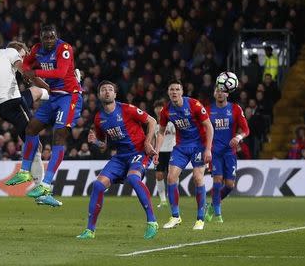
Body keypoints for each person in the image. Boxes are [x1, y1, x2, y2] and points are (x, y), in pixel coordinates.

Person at [5, 25, 82, 207]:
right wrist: (26, 72)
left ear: (56, 37)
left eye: (52, 37)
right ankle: (24, 171)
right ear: (40, 38)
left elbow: (61, 72)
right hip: (54, 96)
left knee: (59, 135)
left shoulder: (64, 48)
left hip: (70, 96)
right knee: (31, 127)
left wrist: (35, 73)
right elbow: (25, 64)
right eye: (45, 38)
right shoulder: (37, 50)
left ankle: (46, 185)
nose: (49, 41)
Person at [76, 81, 158, 239]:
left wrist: (148, 142)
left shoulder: (127, 109)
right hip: (120, 156)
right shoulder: (99, 118)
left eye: (110, 89)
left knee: (133, 178)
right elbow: (104, 146)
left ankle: (152, 222)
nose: (107, 92)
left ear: (115, 94)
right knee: (98, 185)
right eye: (103, 90)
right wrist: (95, 142)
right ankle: (90, 230)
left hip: (138, 152)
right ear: (99, 95)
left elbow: (152, 121)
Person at [0, 41, 50, 197]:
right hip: (13, 102)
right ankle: (41, 190)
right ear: (18, 50)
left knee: (35, 92)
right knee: (34, 140)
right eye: (23, 55)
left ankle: (55, 94)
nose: (24, 58)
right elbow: (25, 70)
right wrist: (28, 75)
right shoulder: (10, 52)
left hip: (3, 107)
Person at [154, 80, 213, 230]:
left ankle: (200, 219)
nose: (174, 92)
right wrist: (157, 151)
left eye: (177, 89)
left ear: (182, 92)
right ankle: (175, 217)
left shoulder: (194, 105)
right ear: (168, 92)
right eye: (171, 89)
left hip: (198, 146)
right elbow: (161, 132)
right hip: (181, 147)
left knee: (198, 178)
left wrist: (208, 149)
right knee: (171, 177)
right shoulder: (166, 110)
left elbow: (209, 127)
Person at [204, 87, 249, 223]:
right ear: (214, 93)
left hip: (230, 152)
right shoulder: (207, 110)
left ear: (227, 93)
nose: (219, 93)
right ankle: (218, 214)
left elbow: (246, 129)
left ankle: (212, 206)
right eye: (217, 91)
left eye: (222, 91)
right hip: (214, 151)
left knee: (229, 185)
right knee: (217, 180)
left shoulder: (235, 109)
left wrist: (238, 137)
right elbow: (201, 129)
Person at [153, 100, 176, 208]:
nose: (158, 110)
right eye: (157, 108)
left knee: (172, 176)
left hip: (172, 150)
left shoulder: (172, 122)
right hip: (159, 152)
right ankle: (163, 200)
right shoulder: (153, 124)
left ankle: (173, 198)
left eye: (160, 107)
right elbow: (152, 139)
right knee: (159, 175)